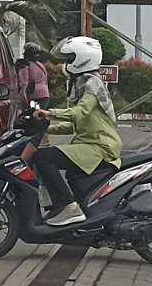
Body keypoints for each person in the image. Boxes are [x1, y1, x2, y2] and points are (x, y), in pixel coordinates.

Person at [32, 36, 122, 227]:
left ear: (82, 59)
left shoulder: (93, 83)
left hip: (99, 147)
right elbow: (76, 125)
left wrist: (50, 113)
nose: (64, 64)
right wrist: (47, 128)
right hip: (90, 144)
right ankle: (62, 207)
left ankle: (68, 207)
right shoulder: (83, 82)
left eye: (68, 59)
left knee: (43, 157)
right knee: (53, 161)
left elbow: (80, 113)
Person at [15, 43, 51, 109]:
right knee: (38, 115)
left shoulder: (25, 65)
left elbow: (24, 82)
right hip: (45, 95)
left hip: (33, 96)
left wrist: (22, 96)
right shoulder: (40, 65)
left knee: (30, 115)